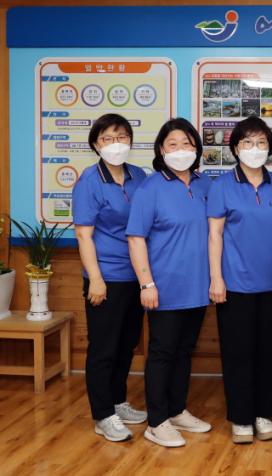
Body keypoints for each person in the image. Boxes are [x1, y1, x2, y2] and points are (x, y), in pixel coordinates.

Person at [207, 116, 272, 444]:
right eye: (247, 142)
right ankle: (242, 417)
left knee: (270, 352)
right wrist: (216, 278)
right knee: (238, 353)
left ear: (270, 148)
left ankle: (263, 413)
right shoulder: (222, 185)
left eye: (261, 142)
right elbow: (215, 235)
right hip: (235, 285)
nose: (254, 148)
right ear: (235, 148)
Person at [126, 118, 212, 448]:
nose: (181, 150)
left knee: (185, 351)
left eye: (187, 143)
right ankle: (157, 421)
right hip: (164, 287)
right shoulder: (150, 188)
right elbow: (136, 238)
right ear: (161, 150)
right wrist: (146, 284)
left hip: (198, 286)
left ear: (197, 149)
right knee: (162, 353)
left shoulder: (205, 185)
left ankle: (176, 410)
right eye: (173, 144)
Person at [73, 113, 148, 442]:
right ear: (95, 144)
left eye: (121, 137)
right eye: (107, 138)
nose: (115, 144)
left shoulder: (139, 175)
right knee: (103, 348)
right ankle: (103, 414)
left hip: (136, 275)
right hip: (106, 276)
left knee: (126, 344)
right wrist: (96, 278)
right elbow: (84, 235)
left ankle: (118, 402)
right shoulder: (89, 181)